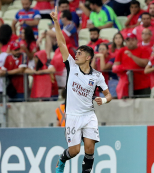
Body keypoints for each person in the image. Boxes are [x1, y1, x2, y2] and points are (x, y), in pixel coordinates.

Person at [50, 7, 112, 173]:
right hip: (72, 116)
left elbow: (109, 95)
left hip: (89, 115)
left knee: (90, 148)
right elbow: (62, 42)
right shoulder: (71, 66)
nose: (76, 55)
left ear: (88, 57)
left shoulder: (97, 76)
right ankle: (62, 159)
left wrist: (104, 100)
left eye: (79, 53)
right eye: (76, 53)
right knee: (75, 150)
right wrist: (56, 21)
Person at [113, 33, 151, 98]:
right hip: (126, 85)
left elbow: (145, 63)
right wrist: (124, 69)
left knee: (143, 105)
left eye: (132, 40)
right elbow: (115, 66)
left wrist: (132, 56)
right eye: (128, 40)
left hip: (142, 84)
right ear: (125, 42)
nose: (130, 42)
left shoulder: (144, 49)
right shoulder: (122, 51)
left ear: (137, 41)